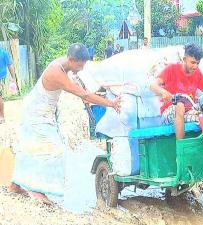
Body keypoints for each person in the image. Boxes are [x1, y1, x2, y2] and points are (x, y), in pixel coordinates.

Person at [8, 43, 121, 204]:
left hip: (42, 110)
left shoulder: (64, 64)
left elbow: (84, 85)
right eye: (80, 65)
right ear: (72, 59)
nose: (81, 69)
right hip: (36, 113)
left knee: (30, 146)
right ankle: (37, 189)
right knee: (54, 151)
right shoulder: (56, 72)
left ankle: (15, 185)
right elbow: (84, 95)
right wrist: (111, 103)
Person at [150, 43, 203, 139]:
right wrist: (163, 92)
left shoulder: (197, 73)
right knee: (180, 105)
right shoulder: (171, 69)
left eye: (197, 63)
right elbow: (153, 85)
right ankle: (181, 147)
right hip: (169, 112)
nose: (195, 66)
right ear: (184, 59)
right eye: (193, 62)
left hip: (189, 112)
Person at [0, 47, 17, 124]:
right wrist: (13, 78)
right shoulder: (4, 52)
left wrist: (13, 78)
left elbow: (10, 65)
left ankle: (1, 116)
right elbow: (10, 65)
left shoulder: (3, 53)